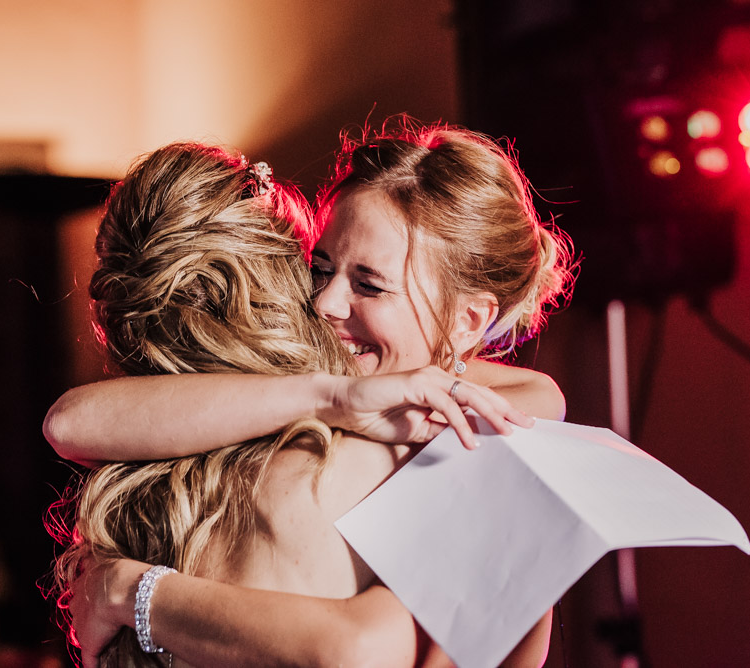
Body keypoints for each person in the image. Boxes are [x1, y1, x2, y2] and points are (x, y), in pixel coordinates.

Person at [53, 123, 576, 666]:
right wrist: (333, 396)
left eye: (370, 284)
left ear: (470, 320)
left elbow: (358, 651)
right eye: (320, 268)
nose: (325, 302)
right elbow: (69, 422)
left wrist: (132, 593)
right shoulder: (296, 415)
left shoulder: (486, 462)